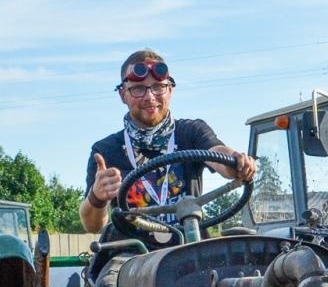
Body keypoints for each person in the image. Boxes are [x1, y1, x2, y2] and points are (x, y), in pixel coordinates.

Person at [81, 49, 256, 243]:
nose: (149, 96)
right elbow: (92, 225)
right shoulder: (105, 151)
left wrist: (237, 162)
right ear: (123, 95)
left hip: (188, 247)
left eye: (158, 87)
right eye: (138, 89)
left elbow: (218, 155)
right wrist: (97, 197)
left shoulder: (192, 132)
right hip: (130, 254)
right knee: (112, 274)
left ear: (170, 90)